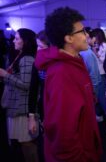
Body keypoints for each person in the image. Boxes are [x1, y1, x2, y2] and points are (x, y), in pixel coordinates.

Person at [34, 7, 102, 162]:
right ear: (69, 38)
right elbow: (62, 130)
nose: (87, 35)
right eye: (83, 31)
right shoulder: (62, 73)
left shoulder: (75, 61)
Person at [0, 28, 39, 162]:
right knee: (22, 143)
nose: (14, 41)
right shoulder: (19, 55)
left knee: (26, 143)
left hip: (22, 107)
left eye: (17, 39)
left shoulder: (27, 58)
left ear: (25, 41)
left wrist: (6, 75)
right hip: (16, 105)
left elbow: (26, 84)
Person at [28, 30, 50, 162]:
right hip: (44, 109)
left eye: (41, 47)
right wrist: (31, 116)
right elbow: (33, 89)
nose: (38, 50)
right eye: (37, 46)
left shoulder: (61, 63)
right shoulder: (37, 63)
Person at [79, 27, 103, 122]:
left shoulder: (86, 52)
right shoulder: (85, 52)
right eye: (84, 33)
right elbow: (93, 75)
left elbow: (93, 75)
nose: (88, 35)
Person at [90, 28, 106, 117]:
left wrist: (96, 53)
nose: (92, 38)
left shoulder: (105, 46)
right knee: (97, 96)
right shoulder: (96, 45)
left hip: (101, 73)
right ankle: (99, 114)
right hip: (96, 73)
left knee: (102, 97)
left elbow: (103, 60)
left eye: (93, 36)